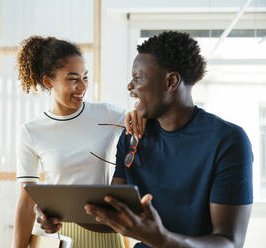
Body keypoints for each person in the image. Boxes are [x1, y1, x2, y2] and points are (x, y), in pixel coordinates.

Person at [84, 31, 253, 248]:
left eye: (137, 78)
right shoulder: (132, 136)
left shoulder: (227, 141)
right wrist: (58, 211)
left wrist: (162, 240)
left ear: (171, 81)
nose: (130, 86)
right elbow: (113, 214)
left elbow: (230, 242)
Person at [12, 36, 143, 248]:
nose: (82, 86)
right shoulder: (31, 131)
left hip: (103, 232)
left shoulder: (108, 114)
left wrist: (140, 114)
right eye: (73, 79)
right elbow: (27, 201)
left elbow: (144, 126)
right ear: (48, 82)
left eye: (85, 77)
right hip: (57, 236)